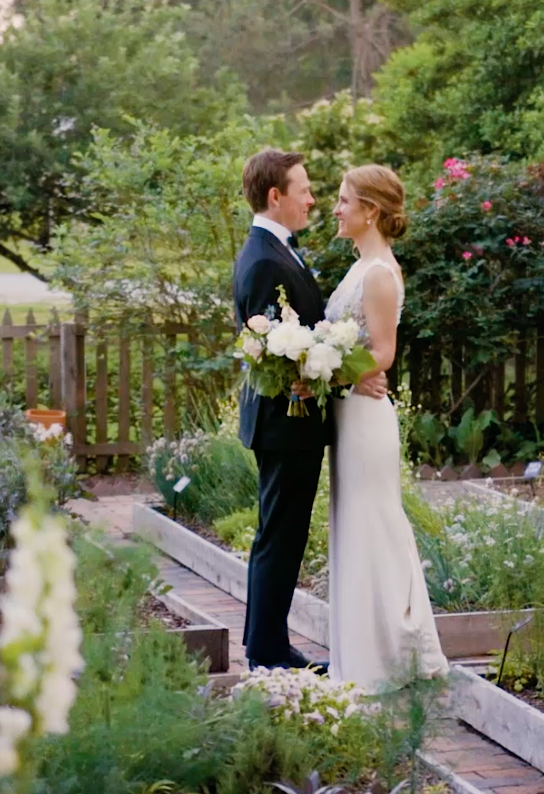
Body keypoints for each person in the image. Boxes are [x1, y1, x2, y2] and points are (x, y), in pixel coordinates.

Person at [231, 149, 386, 673]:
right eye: (303, 189)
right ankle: (268, 651)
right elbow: (277, 351)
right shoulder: (263, 260)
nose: (312, 199)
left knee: (281, 534)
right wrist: (345, 368)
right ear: (276, 197)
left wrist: (345, 363)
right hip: (284, 425)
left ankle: (265, 644)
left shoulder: (278, 252)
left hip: (292, 425)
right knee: (279, 536)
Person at [321, 164, 449, 691]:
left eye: (345, 200)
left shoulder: (377, 273)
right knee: (355, 526)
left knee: (375, 524)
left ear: (371, 210)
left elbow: (383, 352)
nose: (336, 208)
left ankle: (394, 651)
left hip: (365, 418)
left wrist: (321, 371)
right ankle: (363, 653)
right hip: (350, 410)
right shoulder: (361, 265)